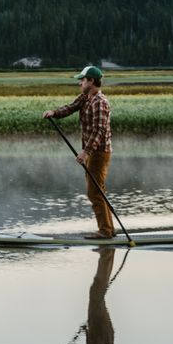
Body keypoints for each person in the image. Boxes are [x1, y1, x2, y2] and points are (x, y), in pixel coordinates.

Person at [43, 65, 113, 238]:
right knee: (97, 191)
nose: (80, 83)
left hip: (99, 152)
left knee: (94, 192)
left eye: (82, 80)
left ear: (91, 81)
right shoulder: (86, 97)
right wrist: (54, 113)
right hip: (92, 151)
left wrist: (86, 152)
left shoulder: (100, 102)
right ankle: (108, 230)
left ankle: (105, 231)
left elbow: (99, 131)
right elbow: (71, 107)